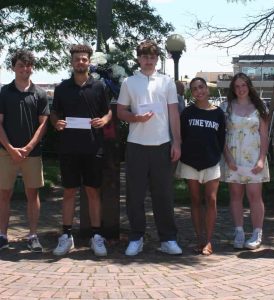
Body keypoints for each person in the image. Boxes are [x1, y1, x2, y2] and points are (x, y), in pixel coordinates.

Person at [117, 40, 182, 256]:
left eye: (152, 57)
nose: (148, 61)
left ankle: (168, 239)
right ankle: (136, 237)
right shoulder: (129, 82)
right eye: (144, 57)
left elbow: (174, 114)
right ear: (138, 58)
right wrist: (135, 118)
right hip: (136, 145)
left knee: (163, 195)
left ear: (157, 59)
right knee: (135, 196)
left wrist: (177, 142)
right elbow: (120, 112)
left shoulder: (167, 82)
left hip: (162, 145)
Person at [50, 44, 112, 256]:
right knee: (68, 192)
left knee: (93, 191)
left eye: (84, 59)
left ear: (89, 61)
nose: (80, 62)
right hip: (69, 148)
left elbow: (108, 112)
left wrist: (103, 120)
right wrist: (57, 123)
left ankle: (97, 236)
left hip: (93, 147)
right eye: (77, 59)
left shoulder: (99, 87)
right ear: (71, 62)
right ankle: (66, 235)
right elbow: (54, 113)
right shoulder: (62, 88)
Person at [0, 49, 49, 252]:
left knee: (32, 194)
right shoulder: (3, 92)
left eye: (28, 65)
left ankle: (33, 235)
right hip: (5, 152)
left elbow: (43, 124)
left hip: (32, 154)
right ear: (13, 67)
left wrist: (28, 148)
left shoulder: (39, 94)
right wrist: (10, 148)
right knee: (3, 194)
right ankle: (2, 235)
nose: (25, 69)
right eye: (21, 65)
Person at [176, 77, 225, 255]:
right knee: (195, 200)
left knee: (211, 200)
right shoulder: (187, 113)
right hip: (190, 163)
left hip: (211, 162)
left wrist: (216, 154)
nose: (199, 91)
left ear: (207, 89)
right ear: (192, 92)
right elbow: (181, 136)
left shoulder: (218, 113)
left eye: (201, 87)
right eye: (195, 89)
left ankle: (209, 241)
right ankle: (199, 238)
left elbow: (221, 139)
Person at [222, 72, 269, 250]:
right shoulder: (226, 107)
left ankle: (257, 233)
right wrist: (228, 157)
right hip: (234, 158)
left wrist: (262, 160)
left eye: (243, 85)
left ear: (249, 86)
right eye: (237, 86)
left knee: (255, 196)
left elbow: (264, 137)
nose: (241, 89)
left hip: (254, 157)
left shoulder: (260, 107)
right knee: (235, 196)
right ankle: (239, 231)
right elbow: (222, 136)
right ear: (233, 89)